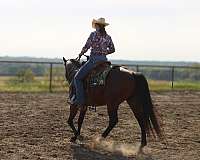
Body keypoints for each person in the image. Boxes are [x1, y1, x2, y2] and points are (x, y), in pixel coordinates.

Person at [71, 17, 115, 106]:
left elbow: (86, 46)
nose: (95, 26)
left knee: (77, 78)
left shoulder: (93, 35)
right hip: (104, 61)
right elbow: (113, 49)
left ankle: (80, 100)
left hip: (94, 60)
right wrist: (104, 52)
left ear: (97, 26)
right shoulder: (108, 37)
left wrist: (80, 54)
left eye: (95, 25)